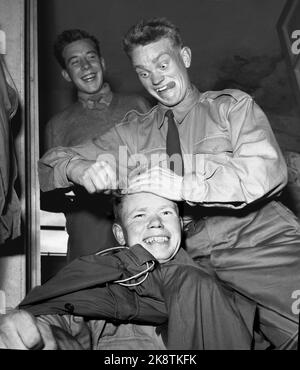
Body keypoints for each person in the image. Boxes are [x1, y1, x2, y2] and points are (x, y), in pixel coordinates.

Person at [37, 18, 300, 349]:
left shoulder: (230, 108)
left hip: (259, 243)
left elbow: (266, 170)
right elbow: (48, 168)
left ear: (185, 57)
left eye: (162, 64)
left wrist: (184, 185)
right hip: (186, 260)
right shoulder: (134, 133)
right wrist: (76, 168)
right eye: (143, 72)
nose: (156, 79)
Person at [0, 191, 257, 350]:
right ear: (120, 234)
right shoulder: (97, 282)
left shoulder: (219, 283)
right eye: (139, 216)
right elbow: (63, 324)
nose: (156, 223)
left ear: (180, 224)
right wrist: (40, 332)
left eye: (166, 212)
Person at [42, 29, 151, 261]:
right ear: (66, 74)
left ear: (102, 62)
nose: (86, 66)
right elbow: (47, 190)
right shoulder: (58, 124)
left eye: (91, 57)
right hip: (89, 238)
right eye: (75, 62)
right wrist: (84, 192)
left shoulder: (138, 104)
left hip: (141, 227)